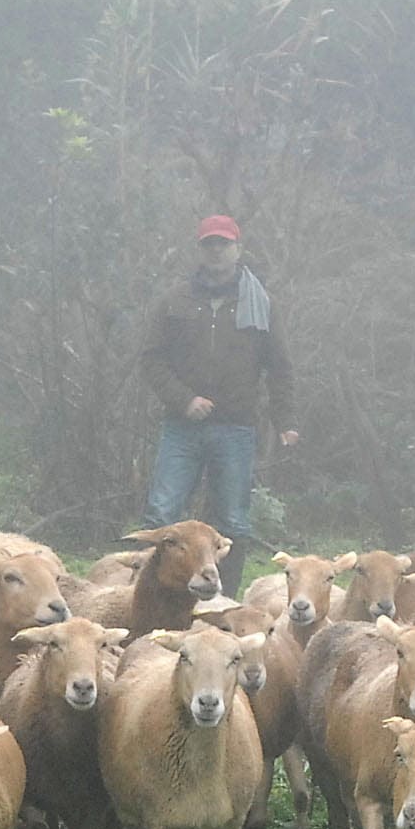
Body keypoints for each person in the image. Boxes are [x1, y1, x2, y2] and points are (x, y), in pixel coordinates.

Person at [138, 214, 298, 594]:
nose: (216, 251)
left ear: (237, 249)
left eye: (223, 244)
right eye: (209, 244)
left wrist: (285, 420)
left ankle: (223, 602)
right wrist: (184, 400)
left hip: (237, 428)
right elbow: (151, 359)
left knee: (233, 522)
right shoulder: (174, 300)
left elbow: (279, 367)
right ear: (200, 250)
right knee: (163, 515)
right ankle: (154, 597)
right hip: (182, 427)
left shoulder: (260, 303)